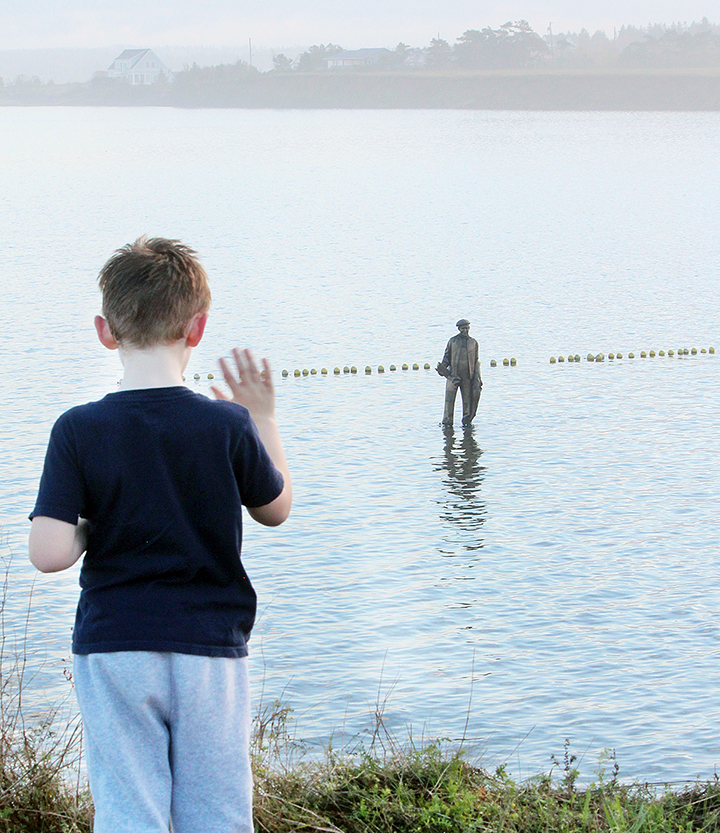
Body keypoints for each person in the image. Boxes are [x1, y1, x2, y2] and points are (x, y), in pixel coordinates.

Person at [28, 236, 292, 833]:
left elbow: (47, 554)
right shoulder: (225, 424)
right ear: (197, 329)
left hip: (116, 644)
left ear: (105, 330)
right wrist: (264, 417)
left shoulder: (77, 429)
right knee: (217, 812)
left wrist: (94, 526)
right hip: (209, 645)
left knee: (129, 813)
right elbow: (275, 509)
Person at [437, 318, 482, 426]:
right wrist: (442, 367)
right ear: (458, 329)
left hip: (467, 377)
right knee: (449, 400)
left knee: (467, 401)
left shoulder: (473, 343)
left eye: (466, 328)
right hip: (453, 376)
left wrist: (477, 378)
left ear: (469, 328)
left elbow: (476, 361)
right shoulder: (453, 341)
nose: (465, 331)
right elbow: (446, 356)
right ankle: (447, 422)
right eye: (462, 329)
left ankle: (467, 422)